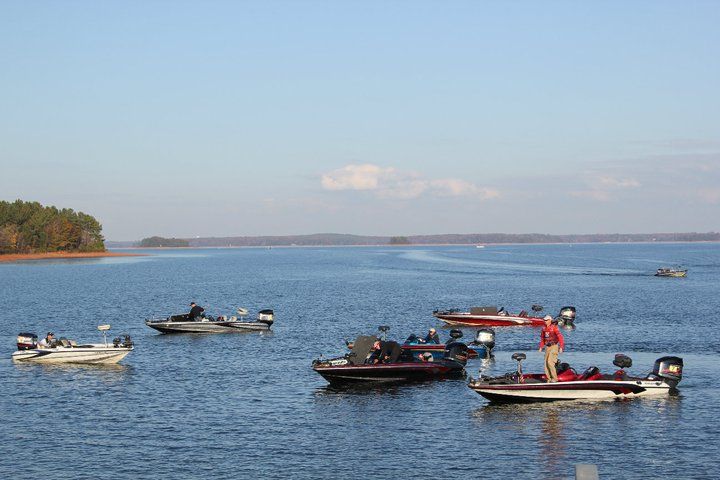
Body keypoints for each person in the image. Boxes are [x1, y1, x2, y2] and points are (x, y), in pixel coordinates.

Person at [538, 315, 565, 383]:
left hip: (554, 346)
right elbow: (542, 339)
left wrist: (561, 347)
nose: (545, 321)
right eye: (544, 320)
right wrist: (541, 347)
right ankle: (549, 378)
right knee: (546, 363)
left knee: (550, 362)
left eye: (546, 320)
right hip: (547, 347)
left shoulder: (554, 328)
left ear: (550, 320)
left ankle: (554, 378)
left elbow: (560, 338)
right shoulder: (543, 328)